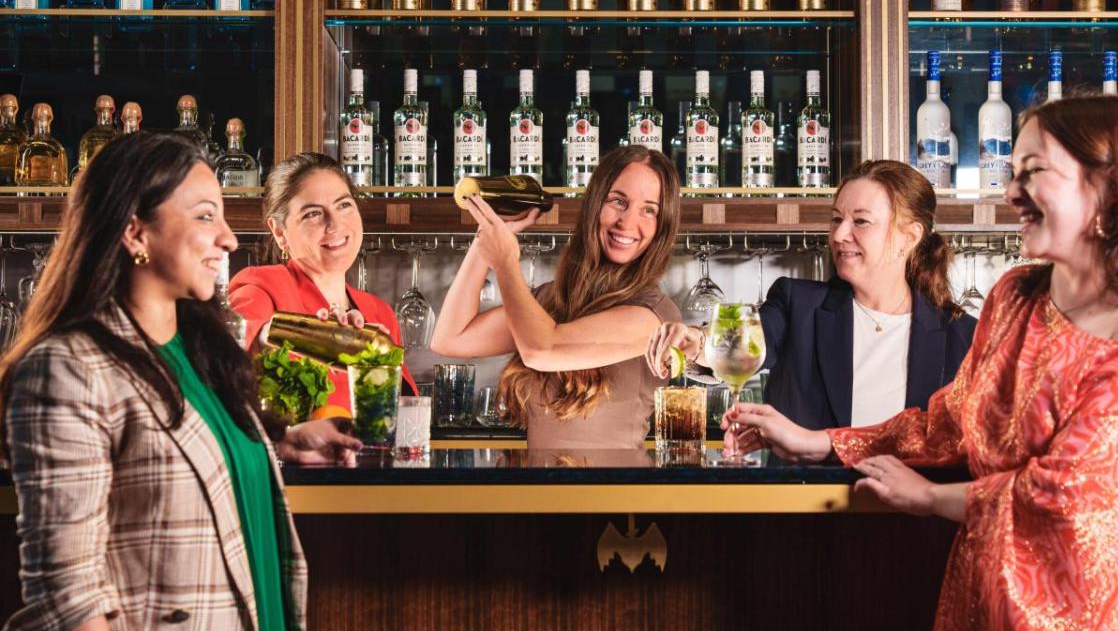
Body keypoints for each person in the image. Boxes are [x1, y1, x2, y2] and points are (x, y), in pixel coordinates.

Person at [723, 94, 1118, 631]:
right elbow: (947, 422)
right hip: (979, 594)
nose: (1010, 191)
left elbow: (1075, 491)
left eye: (1033, 172)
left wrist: (928, 497)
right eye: (1013, 172)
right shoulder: (1016, 296)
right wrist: (822, 442)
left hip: (1092, 610)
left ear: (1110, 185)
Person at [0, 133, 362, 631]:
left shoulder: (198, 352)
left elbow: (183, 448)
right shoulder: (67, 369)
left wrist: (277, 440)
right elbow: (68, 600)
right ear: (134, 232)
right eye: (205, 216)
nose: (229, 238)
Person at [647, 159, 976, 430]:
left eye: (860, 221)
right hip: (805, 507)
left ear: (910, 236)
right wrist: (696, 342)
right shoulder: (798, 306)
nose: (840, 234)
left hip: (909, 508)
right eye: (836, 220)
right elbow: (741, 342)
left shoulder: (964, 337)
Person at [430, 146, 682, 450]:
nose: (627, 223)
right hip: (542, 492)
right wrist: (488, 235)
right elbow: (450, 338)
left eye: (649, 210)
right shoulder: (552, 298)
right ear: (594, 205)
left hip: (614, 492)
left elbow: (542, 350)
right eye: (618, 201)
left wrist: (506, 261)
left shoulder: (654, 317)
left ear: (662, 225)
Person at [228, 152, 417, 410]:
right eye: (312, 214)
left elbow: (399, 413)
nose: (335, 225)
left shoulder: (379, 314)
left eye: (344, 205)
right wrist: (302, 336)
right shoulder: (260, 288)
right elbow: (225, 362)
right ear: (280, 232)